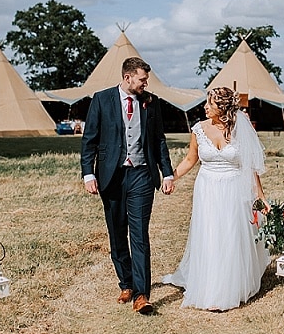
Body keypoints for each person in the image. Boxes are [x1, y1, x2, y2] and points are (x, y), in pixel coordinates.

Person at [81, 56, 175, 315]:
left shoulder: (151, 102)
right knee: (117, 233)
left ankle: (142, 295)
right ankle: (126, 283)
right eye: (142, 79)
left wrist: (167, 173)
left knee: (139, 234)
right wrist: (88, 174)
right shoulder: (101, 99)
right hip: (111, 176)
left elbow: (158, 140)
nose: (146, 84)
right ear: (127, 77)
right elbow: (89, 140)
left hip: (142, 176)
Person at [162, 87, 271, 311]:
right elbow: (190, 160)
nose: (205, 107)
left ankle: (230, 286)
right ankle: (209, 286)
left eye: (210, 104)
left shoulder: (241, 129)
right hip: (207, 189)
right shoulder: (198, 130)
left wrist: (260, 198)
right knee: (210, 235)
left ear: (222, 108)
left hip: (234, 189)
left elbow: (250, 168)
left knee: (231, 235)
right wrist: (171, 177)